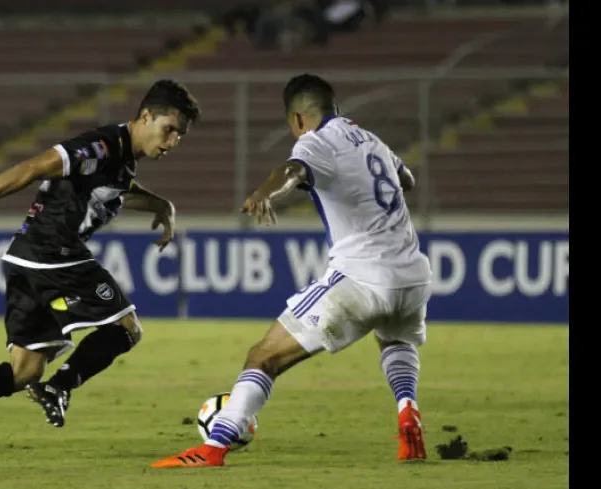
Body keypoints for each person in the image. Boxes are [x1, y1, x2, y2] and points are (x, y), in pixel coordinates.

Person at [0, 79, 201, 452]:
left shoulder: (121, 164)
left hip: (27, 260)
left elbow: (118, 189)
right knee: (127, 328)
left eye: (180, 136)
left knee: (25, 371)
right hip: (53, 255)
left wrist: (163, 207)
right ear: (145, 116)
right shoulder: (103, 146)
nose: (172, 142)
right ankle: (60, 388)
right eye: (169, 129)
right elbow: (32, 167)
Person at [151, 73, 431, 468]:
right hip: (414, 277)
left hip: (361, 277)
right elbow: (407, 179)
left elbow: (292, 171)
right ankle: (408, 411)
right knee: (396, 342)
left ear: (298, 119)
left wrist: (265, 192)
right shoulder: (371, 140)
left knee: (262, 358)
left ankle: (212, 448)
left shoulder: (317, 141)